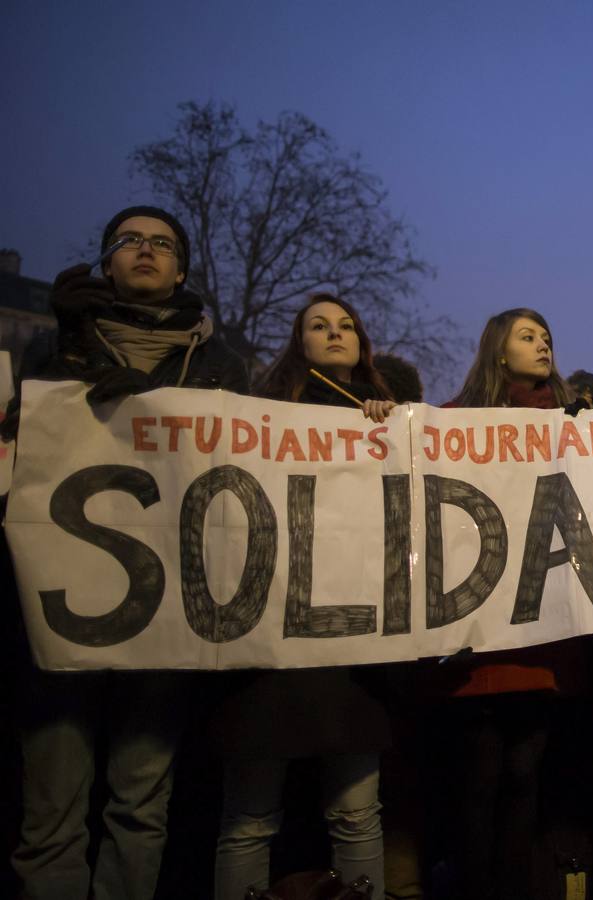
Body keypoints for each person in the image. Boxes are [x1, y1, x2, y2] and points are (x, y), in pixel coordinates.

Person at [9, 205, 248, 900]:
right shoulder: (52, 342)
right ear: (106, 259)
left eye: (163, 244)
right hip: (61, 609)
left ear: (181, 268)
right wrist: (65, 348)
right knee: (52, 810)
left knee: (140, 807)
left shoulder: (219, 362)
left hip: (166, 615)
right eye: (130, 241)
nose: (146, 251)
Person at [211, 295, 393, 900]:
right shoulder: (259, 418)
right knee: (250, 820)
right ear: (301, 343)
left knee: (357, 813)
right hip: (270, 644)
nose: (335, 333)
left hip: (352, 647)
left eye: (346, 326)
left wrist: (391, 430)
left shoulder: (390, 418)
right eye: (319, 326)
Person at [429, 308, 584, 900]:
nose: (543, 344)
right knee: (478, 779)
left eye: (547, 336)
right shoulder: (452, 422)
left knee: (526, 778)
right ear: (498, 351)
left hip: (545, 628)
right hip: (477, 630)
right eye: (528, 337)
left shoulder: (576, 423)